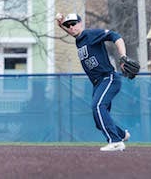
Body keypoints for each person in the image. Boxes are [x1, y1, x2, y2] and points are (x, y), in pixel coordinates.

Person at [56, 13, 130, 151]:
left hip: (108, 78)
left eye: (74, 23)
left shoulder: (90, 34)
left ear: (81, 23)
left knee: (98, 106)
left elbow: (115, 36)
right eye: (68, 25)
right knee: (98, 118)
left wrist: (123, 57)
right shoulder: (79, 40)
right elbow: (72, 31)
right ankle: (121, 134)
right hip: (98, 83)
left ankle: (115, 141)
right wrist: (61, 25)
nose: (71, 27)